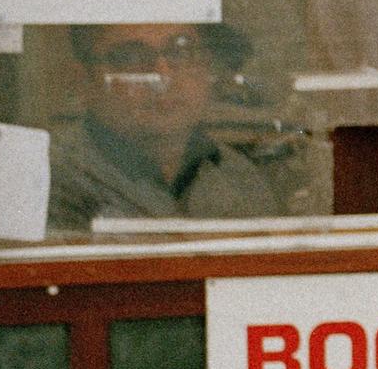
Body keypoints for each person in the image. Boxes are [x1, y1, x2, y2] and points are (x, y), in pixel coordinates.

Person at [45, 23, 297, 234]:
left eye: (181, 53)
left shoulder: (239, 176)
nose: (163, 76)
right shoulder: (48, 179)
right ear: (83, 80)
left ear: (207, 67)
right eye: (131, 58)